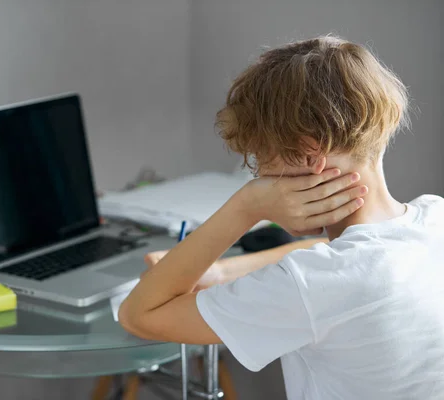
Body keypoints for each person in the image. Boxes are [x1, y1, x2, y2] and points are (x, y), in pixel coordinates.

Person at [118, 35, 444, 399]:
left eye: (261, 161)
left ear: (309, 154)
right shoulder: (434, 218)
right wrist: (224, 271)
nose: (261, 177)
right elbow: (338, 256)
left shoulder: (311, 285)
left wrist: (247, 205)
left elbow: (138, 314)